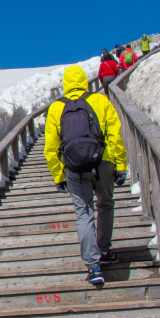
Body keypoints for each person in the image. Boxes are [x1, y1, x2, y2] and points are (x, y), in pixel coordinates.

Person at [43, 66, 128, 285]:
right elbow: (114, 135)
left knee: (84, 214)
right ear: (83, 81)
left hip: (74, 168)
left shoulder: (57, 107)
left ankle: (93, 266)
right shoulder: (100, 100)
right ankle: (104, 250)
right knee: (106, 205)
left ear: (65, 84)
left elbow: (50, 147)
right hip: (103, 162)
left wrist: (58, 175)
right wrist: (120, 164)